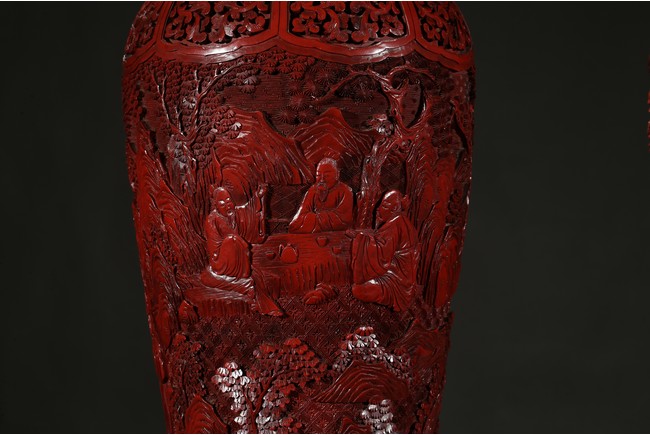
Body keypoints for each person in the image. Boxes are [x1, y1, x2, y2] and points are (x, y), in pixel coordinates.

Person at [348, 190, 419, 311]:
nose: (378, 209)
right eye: (380, 205)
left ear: (394, 209)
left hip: (395, 282)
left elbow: (381, 256)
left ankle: (393, 300)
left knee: (357, 290)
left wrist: (359, 238)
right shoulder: (401, 220)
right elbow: (382, 241)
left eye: (384, 206)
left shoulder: (396, 223)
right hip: (402, 280)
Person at [204, 185, 266, 280]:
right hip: (220, 259)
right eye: (222, 204)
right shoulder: (212, 220)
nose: (228, 205)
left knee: (235, 241)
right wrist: (240, 242)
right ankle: (236, 274)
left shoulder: (233, 214)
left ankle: (244, 273)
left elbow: (247, 210)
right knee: (232, 240)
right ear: (216, 206)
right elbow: (214, 248)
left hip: (238, 251)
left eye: (229, 201)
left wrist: (258, 196)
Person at [288, 158, 353, 233]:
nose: (322, 179)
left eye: (327, 175)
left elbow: (343, 220)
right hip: (313, 233)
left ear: (337, 174)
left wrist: (312, 218)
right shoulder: (313, 190)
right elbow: (298, 219)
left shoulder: (345, 191)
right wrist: (316, 219)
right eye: (318, 175)